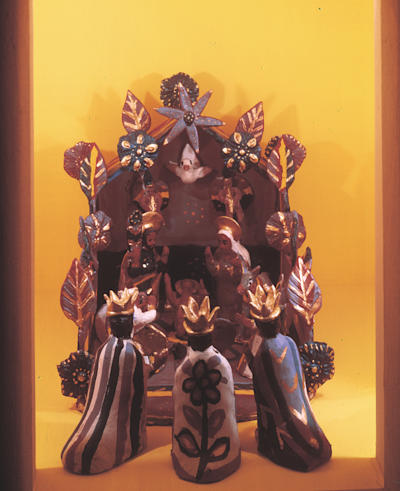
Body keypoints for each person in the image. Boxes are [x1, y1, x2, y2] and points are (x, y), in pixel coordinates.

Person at [204, 217, 253, 340]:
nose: (221, 245)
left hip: (236, 294)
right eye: (219, 242)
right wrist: (209, 260)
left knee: (237, 314)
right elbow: (214, 271)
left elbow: (246, 277)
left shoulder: (241, 256)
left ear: (232, 242)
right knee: (223, 314)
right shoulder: (219, 254)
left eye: (224, 242)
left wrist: (237, 269)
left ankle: (238, 332)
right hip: (222, 290)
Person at [118, 210, 169, 301]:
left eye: (154, 240)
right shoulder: (134, 253)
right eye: (150, 240)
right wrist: (135, 261)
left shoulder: (153, 253)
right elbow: (132, 273)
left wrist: (164, 257)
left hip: (149, 289)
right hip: (134, 290)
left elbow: (157, 270)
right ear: (143, 239)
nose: (153, 243)